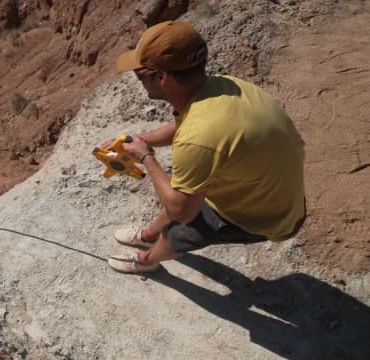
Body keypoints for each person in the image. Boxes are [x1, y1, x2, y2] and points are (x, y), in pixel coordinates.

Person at [104, 21, 306, 274]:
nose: (138, 80)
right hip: (268, 188)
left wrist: (145, 156)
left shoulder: (198, 137)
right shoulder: (221, 86)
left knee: (179, 232)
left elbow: (182, 211)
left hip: (267, 216)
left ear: (162, 77)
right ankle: (147, 235)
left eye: (139, 74)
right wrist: (139, 140)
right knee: (185, 188)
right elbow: (183, 127)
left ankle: (146, 261)